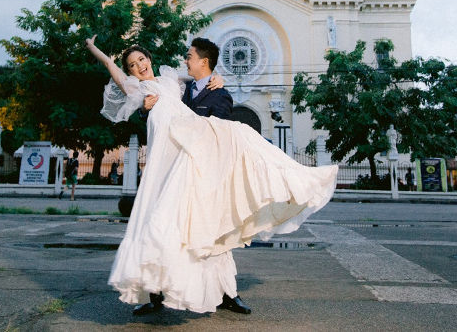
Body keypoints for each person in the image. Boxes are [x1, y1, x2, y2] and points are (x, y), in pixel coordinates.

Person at [85, 35, 338, 315]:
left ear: (150, 58)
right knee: (160, 218)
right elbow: (115, 70)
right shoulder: (141, 89)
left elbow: (201, 77)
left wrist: (220, 78)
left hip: (195, 159)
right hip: (164, 158)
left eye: (142, 59)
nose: (139, 66)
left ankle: (226, 292)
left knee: (206, 224)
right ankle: (155, 291)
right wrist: (95, 50)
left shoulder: (175, 80)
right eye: (133, 64)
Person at [137, 37, 248, 315]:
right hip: (171, 173)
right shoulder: (179, 89)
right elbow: (161, 119)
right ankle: (156, 295)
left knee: (213, 237)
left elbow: (217, 134)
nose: (185, 60)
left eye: (189, 56)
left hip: (203, 177)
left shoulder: (220, 95)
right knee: (163, 229)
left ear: (203, 61)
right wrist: (145, 109)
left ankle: (227, 294)